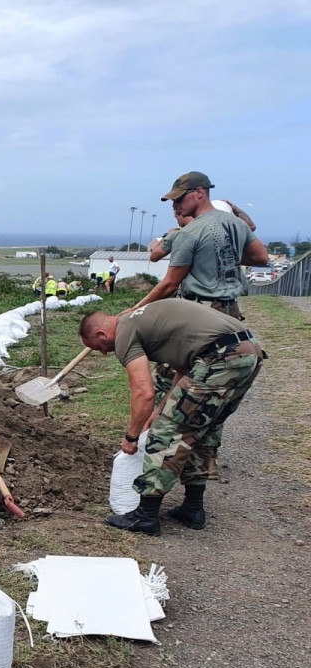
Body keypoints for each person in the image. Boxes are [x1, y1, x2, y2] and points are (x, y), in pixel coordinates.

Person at [79, 301, 262, 535]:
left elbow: (144, 392)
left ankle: (145, 516)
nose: (104, 353)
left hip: (220, 357)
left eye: (99, 347)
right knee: (202, 430)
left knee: (167, 433)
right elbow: (185, 370)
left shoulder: (125, 331)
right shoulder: (146, 320)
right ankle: (193, 508)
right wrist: (159, 410)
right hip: (247, 351)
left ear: (101, 333)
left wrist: (131, 437)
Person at [132, 172, 269, 320]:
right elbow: (261, 258)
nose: (175, 205)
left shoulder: (187, 233)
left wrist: (134, 309)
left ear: (199, 192)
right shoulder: (236, 223)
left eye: (179, 198)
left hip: (201, 312)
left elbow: (170, 283)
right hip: (231, 309)